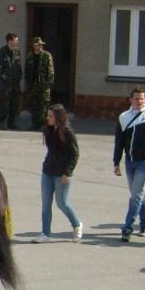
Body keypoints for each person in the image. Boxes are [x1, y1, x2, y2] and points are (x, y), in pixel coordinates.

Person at [113, 87, 145, 242]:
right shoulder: (124, 117)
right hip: (130, 161)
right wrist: (116, 162)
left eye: (142, 98)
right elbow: (119, 142)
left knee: (136, 195)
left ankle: (127, 227)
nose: (140, 101)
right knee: (138, 193)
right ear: (131, 100)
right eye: (137, 98)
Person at [36, 103, 82, 242]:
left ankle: (77, 224)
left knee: (62, 203)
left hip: (61, 174)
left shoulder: (68, 132)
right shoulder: (48, 130)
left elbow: (74, 154)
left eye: (50, 116)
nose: (47, 118)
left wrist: (67, 173)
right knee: (45, 204)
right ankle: (45, 233)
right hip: (48, 171)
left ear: (58, 117)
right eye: (48, 115)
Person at [23, 37, 55, 129]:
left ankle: (44, 124)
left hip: (44, 84)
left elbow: (51, 70)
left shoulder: (46, 55)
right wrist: (27, 82)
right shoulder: (30, 56)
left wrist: (49, 83)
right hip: (33, 83)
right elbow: (27, 70)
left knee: (44, 104)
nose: (39, 46)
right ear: (33, 46)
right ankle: (35, 124)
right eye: (37, 45)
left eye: (41, 45)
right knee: (34, 104)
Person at [0, 33, 22, 129]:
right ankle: (1, 122)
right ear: (10, 41)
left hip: (15, 83)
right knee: (4, 104)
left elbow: (19, 66)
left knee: (14, 104)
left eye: (17, 41)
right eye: (15, 40)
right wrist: (1, 78)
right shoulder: (2, 52)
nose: (17, 42)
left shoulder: (17, 52)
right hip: (6, 83)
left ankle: (11, 123)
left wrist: (19, 77)